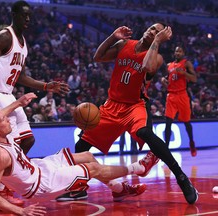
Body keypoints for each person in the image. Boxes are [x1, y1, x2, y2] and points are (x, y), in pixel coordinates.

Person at [56, 24, 198, 205]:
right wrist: (113, 37)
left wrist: (156, 41)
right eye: (152, 28)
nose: (152, 31)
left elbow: (146, 66)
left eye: (157, 31)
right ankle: (80, 189)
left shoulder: (158, 57)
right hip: (112, 104)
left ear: (161, 38)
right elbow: (97, 57)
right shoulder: (124, 45)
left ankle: (181, 177)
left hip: (135, 105)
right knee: (81, 144)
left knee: (145, 133)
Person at [0, 93, 147, 214]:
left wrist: (19, 102)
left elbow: (0, 115)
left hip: (39, 167)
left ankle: (117, 189)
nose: (7, 118)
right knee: (93, 168)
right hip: (41, 186)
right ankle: (138, 168)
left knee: (86, 155)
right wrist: (22, 211)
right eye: (3, 119)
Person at [0, 1, 69, 194]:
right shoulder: (4, 37)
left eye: (29, 16)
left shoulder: (23, 45)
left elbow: (21, 77)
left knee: (28, 140)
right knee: (0, 143)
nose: (27, 19)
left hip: (8, 94)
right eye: (23, 15)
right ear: (14, 14)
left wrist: (46, 85)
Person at [162, 45, 197, 157]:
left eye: (180, 51)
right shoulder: (169, 65)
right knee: (168, 123)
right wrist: (164, 80)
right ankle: (165, 150)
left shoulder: (186, 63)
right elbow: (168, 79)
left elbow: (194, 79)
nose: (178, 53)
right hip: (171, 96)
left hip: (182, 95)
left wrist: (184, 73)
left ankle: (191, 143)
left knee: (187, 122)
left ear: (183, 53)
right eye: (176, 51)